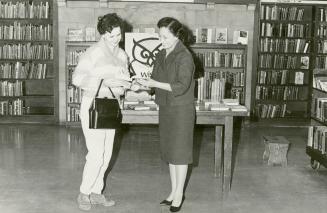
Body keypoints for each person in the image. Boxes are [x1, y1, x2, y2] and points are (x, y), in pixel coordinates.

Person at [72, 13, 131, 211]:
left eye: (119, 35)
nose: (117, 39)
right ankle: (84, 192)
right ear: (103, 35)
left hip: (112, 106)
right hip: (93, 106)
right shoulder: (94, 52)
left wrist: (129, 85)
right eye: (112, 36)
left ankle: (97, 192)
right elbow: (77, 79)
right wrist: (103, 81)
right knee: (96, 154)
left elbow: (124, 81)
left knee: (106, 155)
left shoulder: (122, 55)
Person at [137, 17, 195, 212]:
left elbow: (181, 85)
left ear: (177, 35)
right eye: (160, 36)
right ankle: (173, 191)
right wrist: (141, 86)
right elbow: (154, 80)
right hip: (166, 107)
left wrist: (154, 84)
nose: (162, 41)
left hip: (181, 109)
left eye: (166, 37)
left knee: (180, 153)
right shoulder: (161, 54)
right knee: (171, 152)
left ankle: (179, 194)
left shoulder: (184, 56)